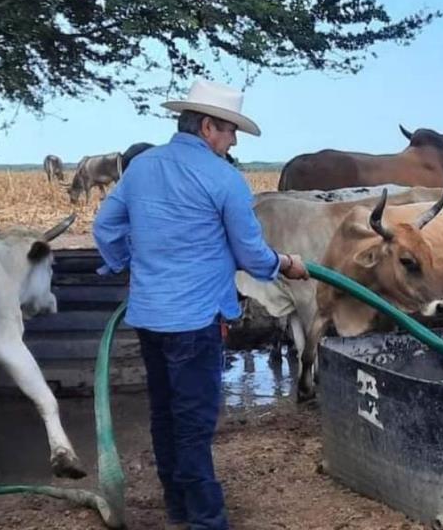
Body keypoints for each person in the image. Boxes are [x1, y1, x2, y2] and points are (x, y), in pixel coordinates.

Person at [94, 79, 310, 530]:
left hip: (151, 317)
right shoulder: (224, 178)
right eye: (231, 131)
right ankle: (207, 520)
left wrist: (130, 266)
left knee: (164, 413)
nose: (233, 141)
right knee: (193, 424)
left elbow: (106, 229)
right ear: (209, 126)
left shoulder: (141, 166)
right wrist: (287, 263)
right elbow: (252, 255)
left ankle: (177, 508)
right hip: (195, 321)